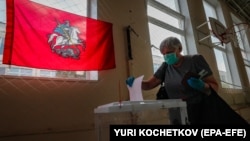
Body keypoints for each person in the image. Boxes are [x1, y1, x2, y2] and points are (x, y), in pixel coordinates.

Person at [126, 36, 219, 125]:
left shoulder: (195, 60)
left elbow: (215, 86)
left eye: (169, 52)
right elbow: (150, 84)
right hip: (176, 110)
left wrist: (203, 85)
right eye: (164, 54)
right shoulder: (165, 66)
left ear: (179, 48)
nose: (166, 56)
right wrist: (137, 83)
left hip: (199, 109)